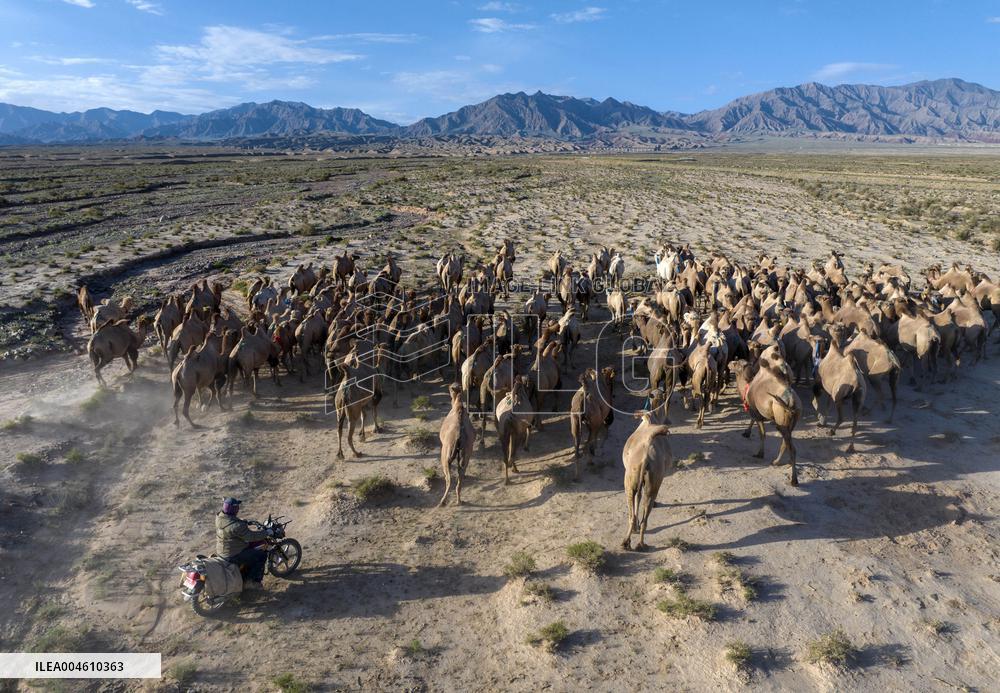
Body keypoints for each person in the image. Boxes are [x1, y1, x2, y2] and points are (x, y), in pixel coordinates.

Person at [215, 497, 270, 589]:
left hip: (221, 550)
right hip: (233, 554)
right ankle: (251, 581)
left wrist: (241, 521)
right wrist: (267, 533)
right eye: (237, 507)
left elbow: (231, 524)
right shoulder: (237, 526)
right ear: (235, 509)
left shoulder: (219, 518)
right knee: (261, 556)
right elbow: (251, 537)